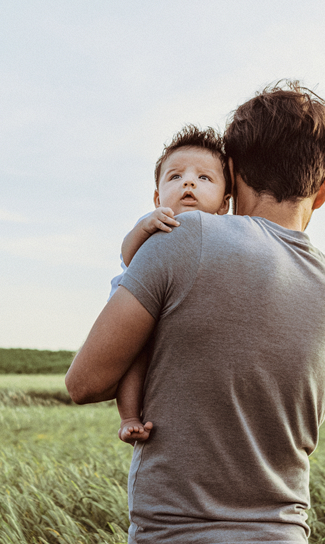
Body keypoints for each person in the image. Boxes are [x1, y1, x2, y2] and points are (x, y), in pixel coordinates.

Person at [66, 81, 325, 544]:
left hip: (177, 533)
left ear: (233, 172)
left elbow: (85, 382)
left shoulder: (184, 235)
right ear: (324, 188)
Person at [110, 126, 232, 444]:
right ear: (157, 197)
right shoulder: (156, 225)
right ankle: (129, 417)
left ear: (224, 203)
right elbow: (127, 255)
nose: (188, 182)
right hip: (138, 305)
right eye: (175, 177)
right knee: (133, 361)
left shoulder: (223, 235)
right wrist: (145, 228)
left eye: (204, 178)